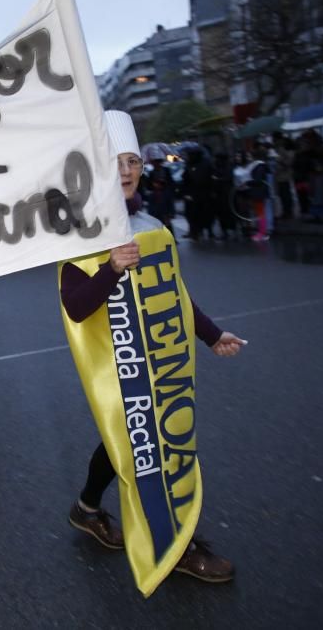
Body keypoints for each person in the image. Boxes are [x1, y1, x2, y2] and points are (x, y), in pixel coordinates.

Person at [59, 110, 246, 592]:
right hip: (117, 367)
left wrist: (210, 334)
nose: (125, 171)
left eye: (132, 162)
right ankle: (177, 545)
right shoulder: (82, 234)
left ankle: (86, 509)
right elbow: (76, 309)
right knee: (145, 448)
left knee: (130, 443)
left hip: (160, 360)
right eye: (114, 162)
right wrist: (110, 269)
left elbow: (175, 291)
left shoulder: (151, 224)